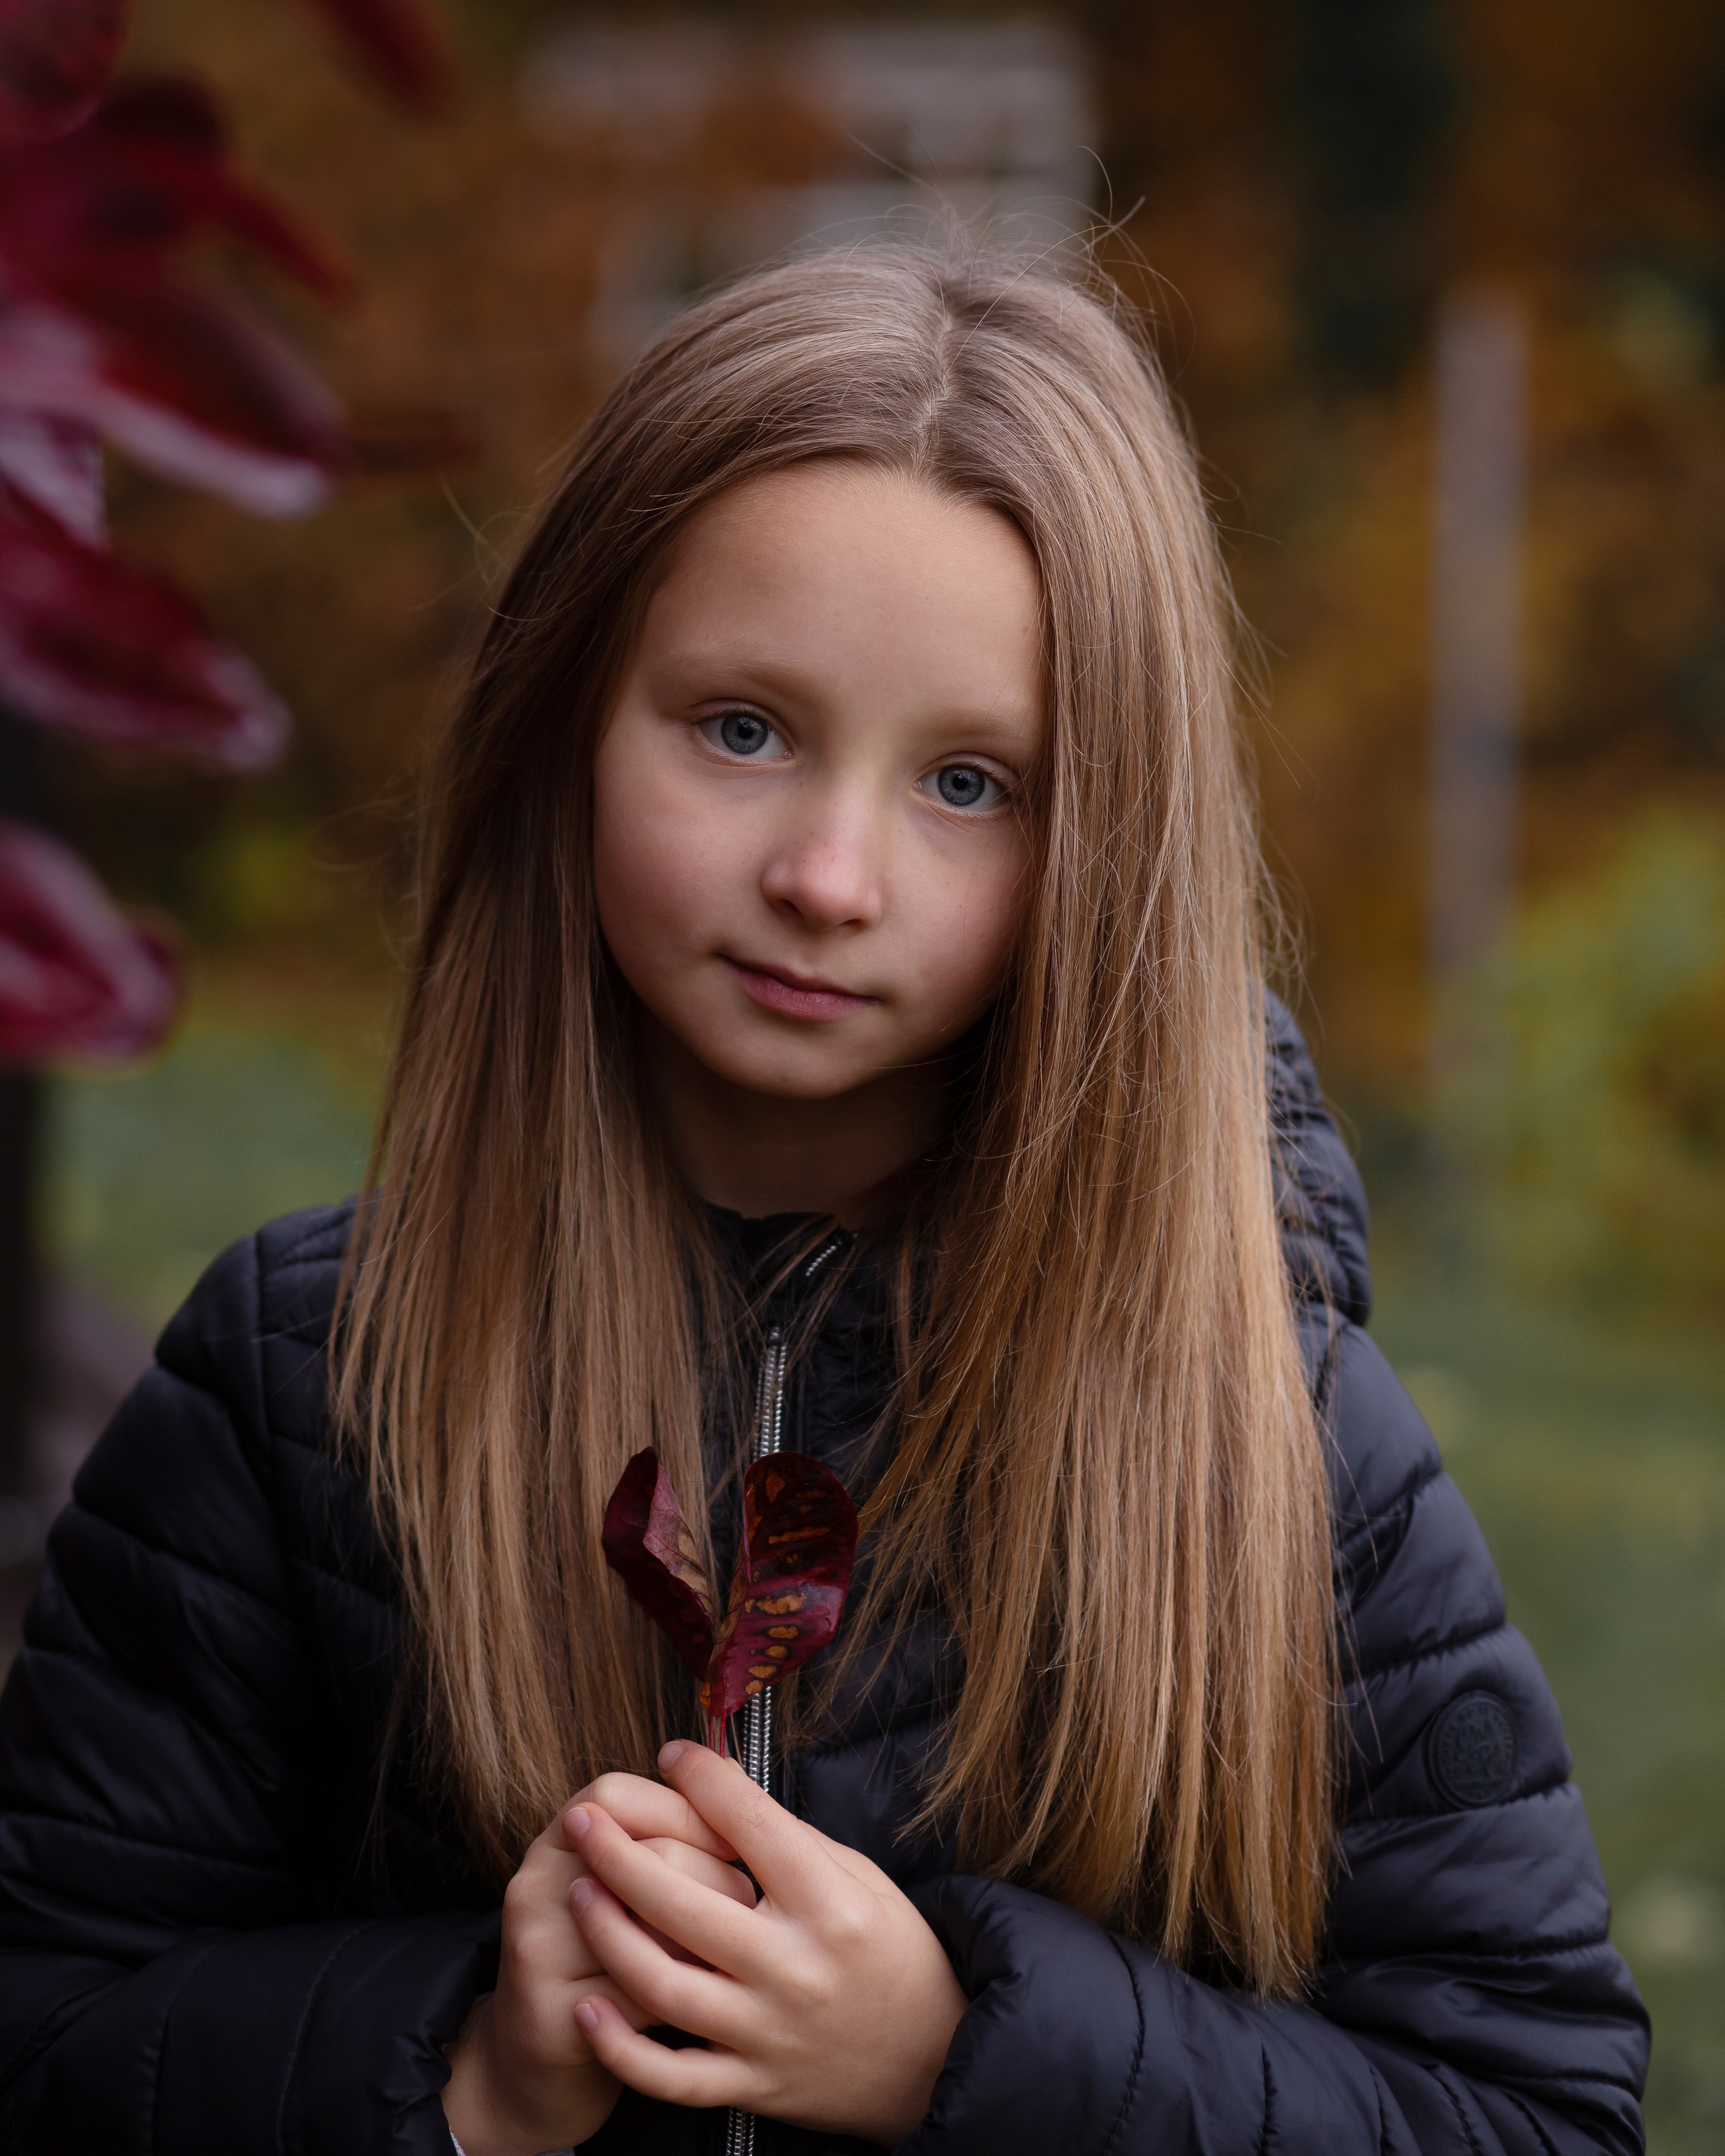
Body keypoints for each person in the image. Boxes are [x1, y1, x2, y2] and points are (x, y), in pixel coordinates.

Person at [0, 250, 1647, 2156]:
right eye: (742, 729)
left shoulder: (1271, 1448)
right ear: (561, 725)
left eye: (969, 781)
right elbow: (50, 2040)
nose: (830, 874)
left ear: (1110, 848)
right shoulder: (301, 1390)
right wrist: (464, 2061)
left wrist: (963, 2054)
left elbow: (1533, 2114)